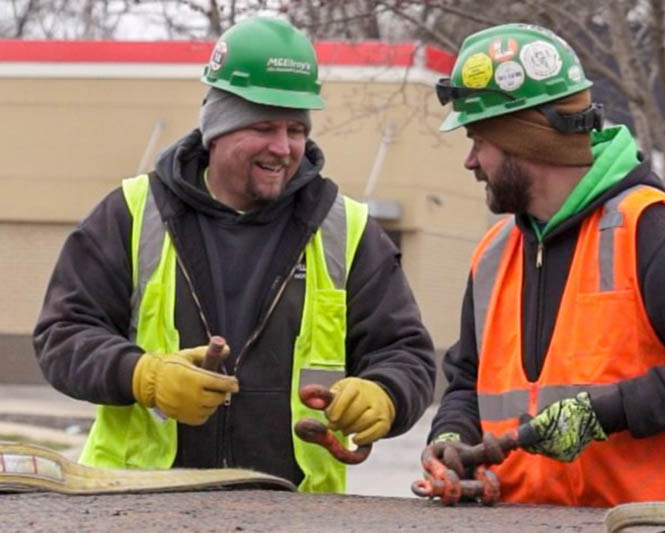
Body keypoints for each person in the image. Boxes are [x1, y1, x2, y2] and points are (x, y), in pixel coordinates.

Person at [33, 16, 435, 493]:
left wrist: (385, 394)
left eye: (295, 129)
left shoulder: (345, 229)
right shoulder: (133, 214)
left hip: (296, 512)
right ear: (217, 129)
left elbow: (406, 354)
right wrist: (142, 374)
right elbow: (61, 334)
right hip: (140, 506)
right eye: (264, 127)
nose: (283, 148)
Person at [425, 23, 665, 506]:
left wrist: (607, 410)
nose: (470, 162)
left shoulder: (651, 228)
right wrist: (450, 436)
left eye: (478, 140)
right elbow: (468, 380)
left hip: (658, 522)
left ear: (525, 143)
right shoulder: (493, 253)